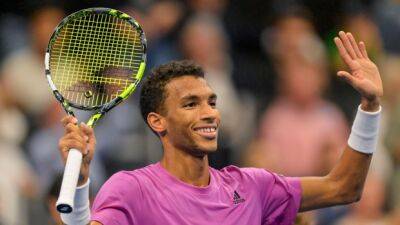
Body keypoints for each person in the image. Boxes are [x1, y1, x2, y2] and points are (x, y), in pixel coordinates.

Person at [58, 31, 383, 225]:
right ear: (158, 122)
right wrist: (81, 181)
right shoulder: (132, 189)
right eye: (190, 104)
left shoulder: (255, 187)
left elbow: (344, 187)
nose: (209, 113)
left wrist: (369, 108)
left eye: (211, 102)